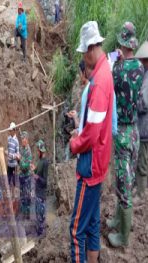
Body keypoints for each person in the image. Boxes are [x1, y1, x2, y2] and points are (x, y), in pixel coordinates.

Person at [70, 21, 114, 263]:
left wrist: (74, 143)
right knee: (93, 223)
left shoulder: (98, 84)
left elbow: (91, 135)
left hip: (90, 164)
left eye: (83, 54)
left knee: (76, 231)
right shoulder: (105, 71)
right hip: (100, 162)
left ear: (89, 49)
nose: (83, 62)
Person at [107, 22, 144, 248]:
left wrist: (114, 61)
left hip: (121, 131)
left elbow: (111, 91)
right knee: (128, 181)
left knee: (122, 183)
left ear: (121, 43)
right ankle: (119, 219)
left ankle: (123, 237)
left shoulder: (117, 70)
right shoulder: (140, 67)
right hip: (135, 131)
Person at [134, 40, 148, 199]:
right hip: (143, 126)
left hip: (145, 128)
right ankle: (139, 189)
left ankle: (142, 193)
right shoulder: (144, 76)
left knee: (142, 163)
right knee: (141, 160)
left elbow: (143, 104)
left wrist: (134, 101)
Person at [31, 139, 48, 236]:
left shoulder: (45, 163)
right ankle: (39, 231)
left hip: (41, 193)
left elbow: (45, 181)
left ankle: (41, 234)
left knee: (41, 214)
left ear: (41, 151)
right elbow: (37, 170)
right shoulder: (40, 161)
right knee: (38, 213)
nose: (37, 152)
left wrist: (37, 177)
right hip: (38, 192)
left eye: (38, 150)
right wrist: (34, 168)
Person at [18, 131, 32, 220]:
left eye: (24, 139)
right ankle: (23, 213)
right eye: (22, 139)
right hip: (21, 176)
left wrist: (20, 160)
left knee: (27, 196)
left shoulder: (28, 151)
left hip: (26, 176)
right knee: (22, 195)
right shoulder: (21, 148)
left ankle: (27, 215)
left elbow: (26, 166)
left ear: (27, 140)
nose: (22, 140)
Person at [7, 122, 20, 188]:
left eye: (11, 130)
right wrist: (7, 153)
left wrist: (11, 156)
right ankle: (9, 194)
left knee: (15, 181)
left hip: (14, 164)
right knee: (8, 180)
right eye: (9, 131)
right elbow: (8, 148)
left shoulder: (16, 141)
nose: (10, 132)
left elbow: (18, 154)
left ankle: (15, 195)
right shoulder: (8, 138)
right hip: (9, 164)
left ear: (14, 130)